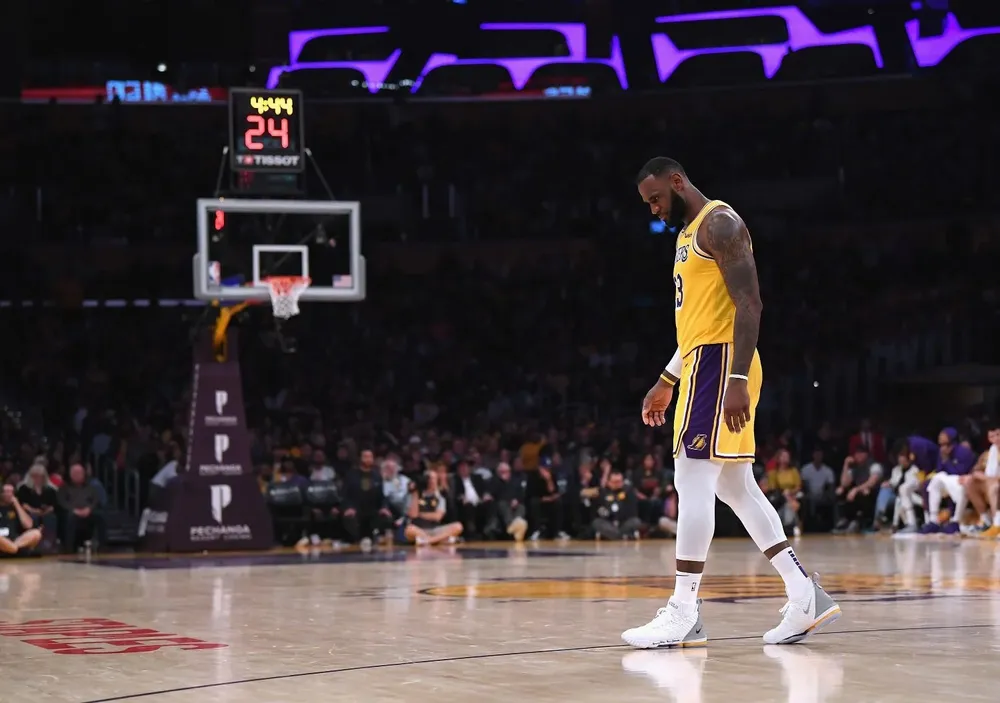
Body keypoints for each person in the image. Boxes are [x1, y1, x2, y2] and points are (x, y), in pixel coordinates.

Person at [622, 158, 840, 649]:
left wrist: (737, 376)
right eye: (648, 203)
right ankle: (805, 594)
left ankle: (683, 609)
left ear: (677, 181)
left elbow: (750, 303)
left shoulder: (720, 223)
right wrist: (666, 377)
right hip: (704, 360)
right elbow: (698, 322)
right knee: (735, 487)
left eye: (656, 197)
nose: (654, 209)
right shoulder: (685, 237)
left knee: (690, 475)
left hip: (722, 365)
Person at [920, 428, 977, 534]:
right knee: (935, 480)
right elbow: (939, 470)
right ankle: (933, 521)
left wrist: (947, 461)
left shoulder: (964, 451)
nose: (940, 440)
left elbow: (961, 472)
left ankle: (956, 521)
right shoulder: (942, 451)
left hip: (963, 481)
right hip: (948, 482)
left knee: (955, 483)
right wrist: (944, 460)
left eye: (943, 437)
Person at [400, 471, 463, 546]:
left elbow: (437, 517)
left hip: (435, 529)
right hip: (418, 529)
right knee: (409, 530)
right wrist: (415, 492)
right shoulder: (414, 494)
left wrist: (420, 514)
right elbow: (413, 515)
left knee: (458, 526)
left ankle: (429, 540)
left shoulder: (440, 497)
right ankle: (440, 540)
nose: (432, 481)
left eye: (434, 479)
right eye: (429, 478)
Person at [0, 484, 43, 556]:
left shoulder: (16, 508)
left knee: (36, 533)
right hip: (1, 540)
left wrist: (17, 504)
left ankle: (12, 548)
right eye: (7, 492)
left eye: (11, 492)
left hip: (14, 540)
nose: (10, 494)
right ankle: (13, 549)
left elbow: (28, 525)